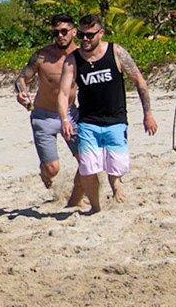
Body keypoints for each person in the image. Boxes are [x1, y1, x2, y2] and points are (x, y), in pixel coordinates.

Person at [62, 14, 159, 213]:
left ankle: (116, 184)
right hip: (88, 121)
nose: (85, 39)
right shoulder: (74, 60)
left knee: (117, 165)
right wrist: (64, 118)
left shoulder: (116, 52)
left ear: (101, 33)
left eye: (90, 35)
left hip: (116, 119)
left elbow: (139, 81)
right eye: (81, 35)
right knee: (88, 167)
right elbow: (63, 92)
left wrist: (147, 113)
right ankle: (95, 207)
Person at [14, 14, 79, 190]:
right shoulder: (42, 56)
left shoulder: (81, 56)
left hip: (71, 114)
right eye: (56, 32)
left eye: (64, 31)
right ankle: (44, 173)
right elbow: (21, 79)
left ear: (74, 32)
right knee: (52, 169)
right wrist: (22, 93)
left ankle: (78, 196)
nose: (60, 36)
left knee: (86, 160)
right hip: (44, 116)